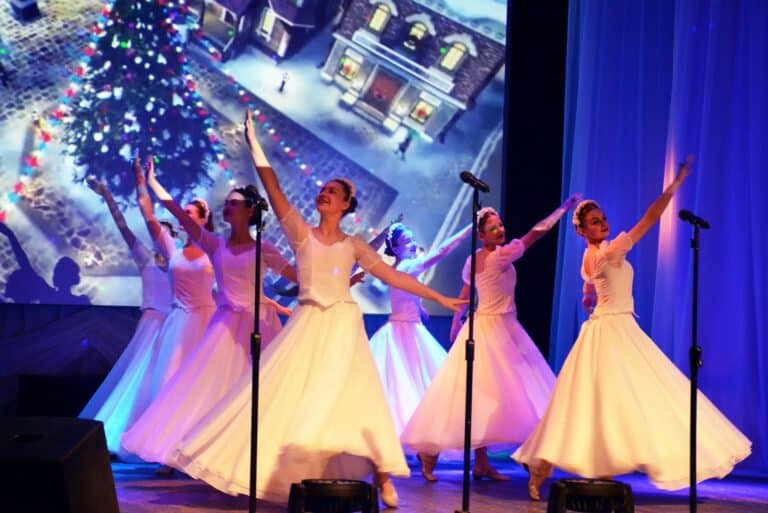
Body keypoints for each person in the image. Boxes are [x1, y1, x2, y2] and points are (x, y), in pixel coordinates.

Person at [168, 109, 466, 508]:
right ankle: (286, 470)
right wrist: (254, 143)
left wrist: (439, 298)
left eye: (333, 191)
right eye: (322, 189)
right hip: (308, 322)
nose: (324, 192)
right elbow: (273, 187)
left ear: (346, 204)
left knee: (358, 396)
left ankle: (382, 474)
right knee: (294, 397)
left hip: (343, 324)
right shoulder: (301, 234)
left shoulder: (354, 245)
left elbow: (395, 277)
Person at [514, 158, 752, 500]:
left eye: (603, 219)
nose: (603, 224)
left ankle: (567, 467)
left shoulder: (593, 255)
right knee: (616, 401)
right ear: (582, 230)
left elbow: (590, 285)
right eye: (595, 222)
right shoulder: (609, 252)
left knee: (604, 404)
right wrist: (675, 185)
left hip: (613, 327)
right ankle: (558, 467)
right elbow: (649, 219)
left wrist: (588, 295)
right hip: (612, 331)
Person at [121, 158, 296, 467]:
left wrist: (339, 279)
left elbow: (297, 277)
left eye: (234, 203)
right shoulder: (215, 245)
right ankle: (200, 454)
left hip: (259, 324)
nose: (227, 207)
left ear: (250, 211)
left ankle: (252, 457)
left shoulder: (264, 248)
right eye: (226, 203)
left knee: (259, 389)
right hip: (225, 324)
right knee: (210, 390)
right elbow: (176, 211)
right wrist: (152, 181)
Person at [401, 195, 581, 482]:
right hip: (491, 330)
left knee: (488, 396)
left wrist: (458, 319)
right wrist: (563, 209)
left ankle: (482, 462)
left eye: (501, 225)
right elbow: (536, 233)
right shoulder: (500, 256)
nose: (500, 230)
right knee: (487, 393)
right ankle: (432, 453)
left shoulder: (479, 258)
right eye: (493, 228)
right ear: (481, 235)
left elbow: (466, 290)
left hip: (498, 326)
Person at [79, 175, 174, 453]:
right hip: (151, 323)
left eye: (165, 234)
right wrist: (107, 195)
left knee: (165, 381)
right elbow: (123, 226)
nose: (160, 238)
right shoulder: (146, 258)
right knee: (139, 380)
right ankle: (125, 433)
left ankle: (160, 436)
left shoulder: (181, 263)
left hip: (174, 325)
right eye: (157, 233)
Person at [369, 221, 472, 436]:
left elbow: (406, 294)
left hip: (402, 325)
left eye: (413, 239)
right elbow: (441, 252)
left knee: (404, 382)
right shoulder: (408, 266)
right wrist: (468, 229)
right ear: (396, 248)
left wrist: (419, 306)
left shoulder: (397, 269)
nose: (413, 244)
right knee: (411, 380)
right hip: (405, 330)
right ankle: (412, 429)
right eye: (407, 242)